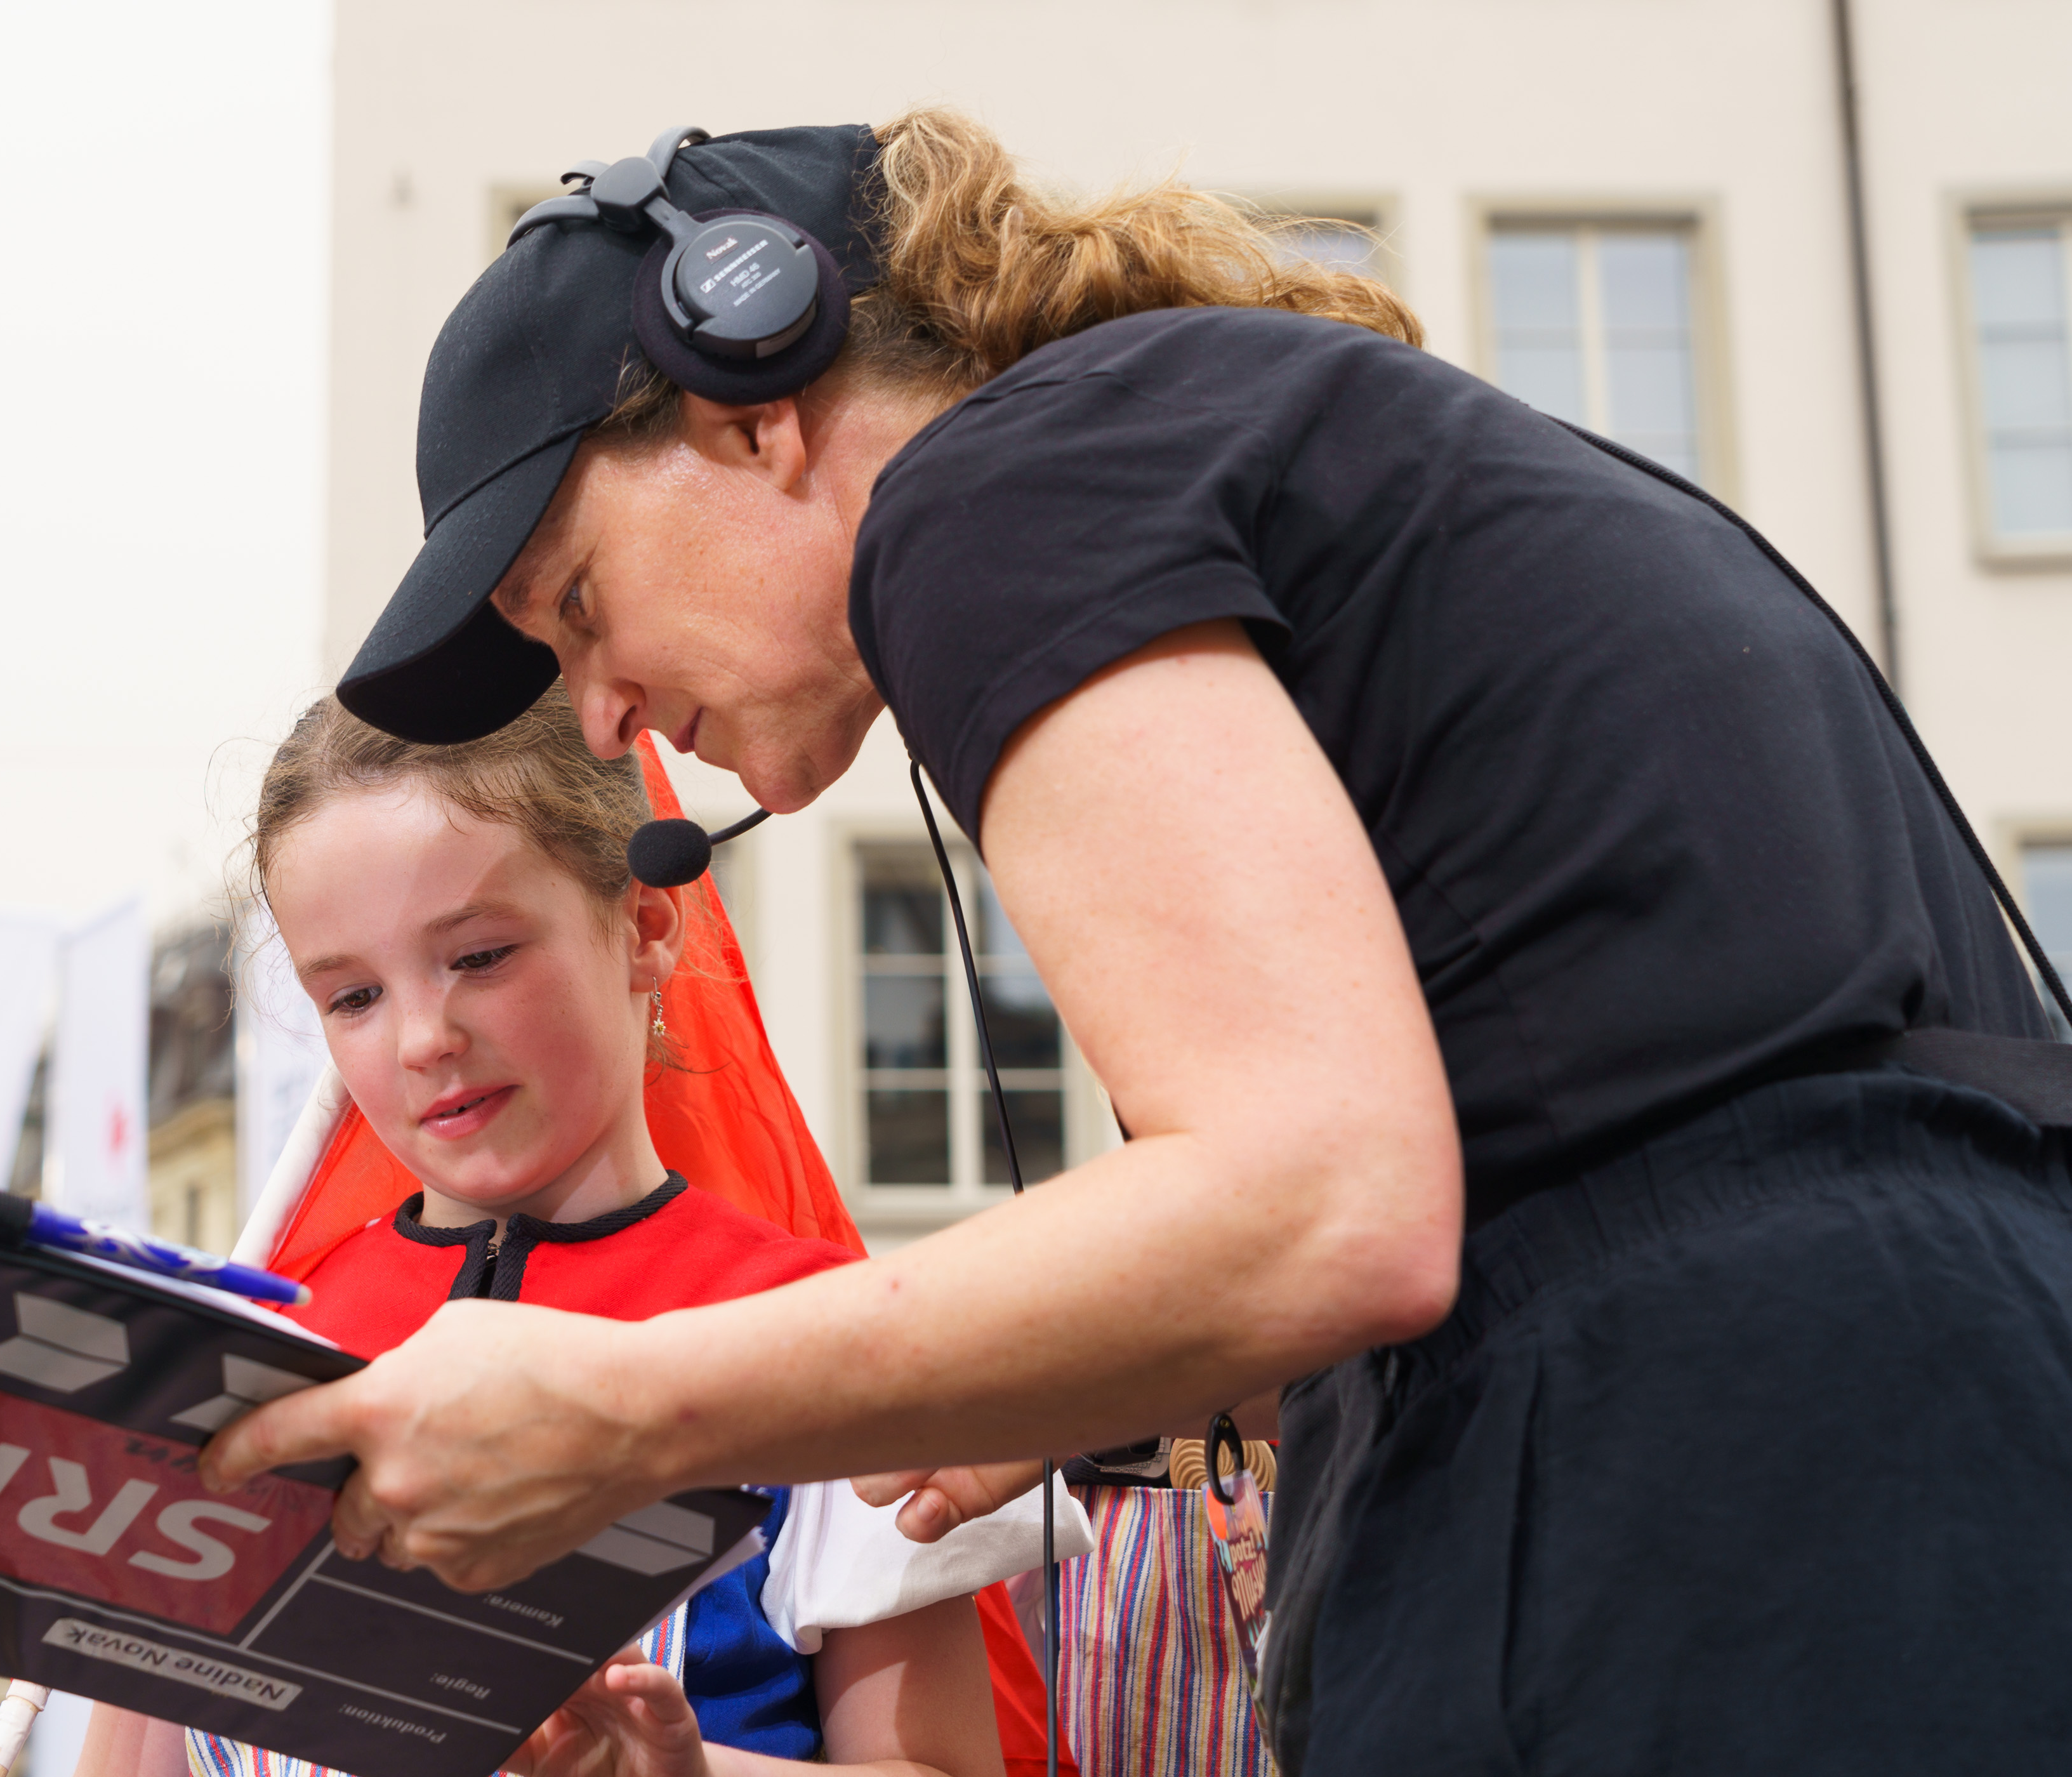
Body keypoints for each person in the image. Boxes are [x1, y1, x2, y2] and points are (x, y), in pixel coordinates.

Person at [200, 108, 2072, 1772]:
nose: (601, 716)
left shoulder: (989, 494)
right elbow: (1591, 1113)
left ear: (749, 395)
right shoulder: (1218, 445)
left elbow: (1329, 1198)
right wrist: (1109, 1364)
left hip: (1718, 1534)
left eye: (581, 604)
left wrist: (624, 1406)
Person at [81, 689, 1069, 1777]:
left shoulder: (822, 1340)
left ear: (648, 927)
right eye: (354, 995)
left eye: (481, 956)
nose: (422, 1037)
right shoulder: (238, 1361)